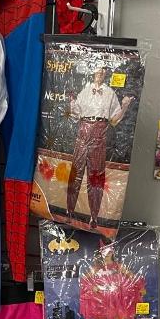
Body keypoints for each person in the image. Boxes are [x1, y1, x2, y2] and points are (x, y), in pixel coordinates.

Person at [66, 66, 133, 228]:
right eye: (98, 70)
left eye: (103, 71)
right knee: (75, 173)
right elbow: (74, 115)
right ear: (93, 73)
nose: (100, 73)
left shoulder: (110, 93)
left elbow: (114, 120)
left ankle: (94, 217)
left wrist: (124, 106)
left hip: (100, 133)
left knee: (96, 177)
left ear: (105, 74)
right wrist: (71, 102)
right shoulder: (85, 90)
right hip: (83, 132)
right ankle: (69, 211)